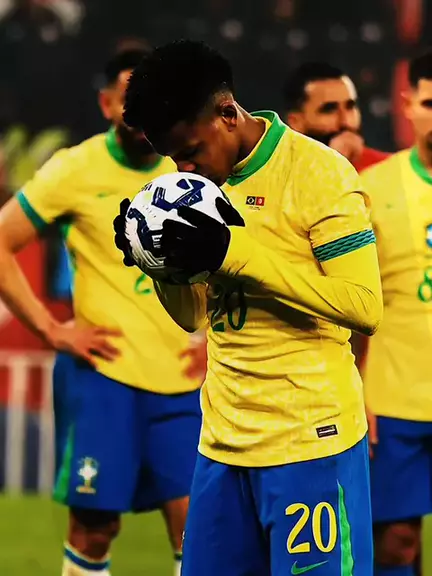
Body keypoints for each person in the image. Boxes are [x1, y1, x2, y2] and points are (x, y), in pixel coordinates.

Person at [114, 39, 383, 576]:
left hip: (310, 442)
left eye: (190, 149)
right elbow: (193, 317)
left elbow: (364, 306)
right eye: (172, 157)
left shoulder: (319, 173)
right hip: (222, 444)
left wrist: (235, 255)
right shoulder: (188, 191)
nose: (183, 167)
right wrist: (160, 266)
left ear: (227, 112)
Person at [0, 48, 204, 576]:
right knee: (93, 529)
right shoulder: (74, 168)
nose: (140, 111)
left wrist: (213, 339)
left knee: (198, 530)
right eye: (129, 99)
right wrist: (52, 330)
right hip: (103, 378)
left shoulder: (193, 169)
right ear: (106, 104)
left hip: (182, 382)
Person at [358, 50, 432, 576]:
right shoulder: (374, 187)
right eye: (430, 103)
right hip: (394, 397)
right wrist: (354, 387)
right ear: (408, 105)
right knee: (396, 543)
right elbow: (349, 300)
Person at [283, 61, 389, 173]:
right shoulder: (279, 175)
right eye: (329, 110)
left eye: (350, 107)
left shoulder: (389, 169)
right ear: (295, 122)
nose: (345, 121)